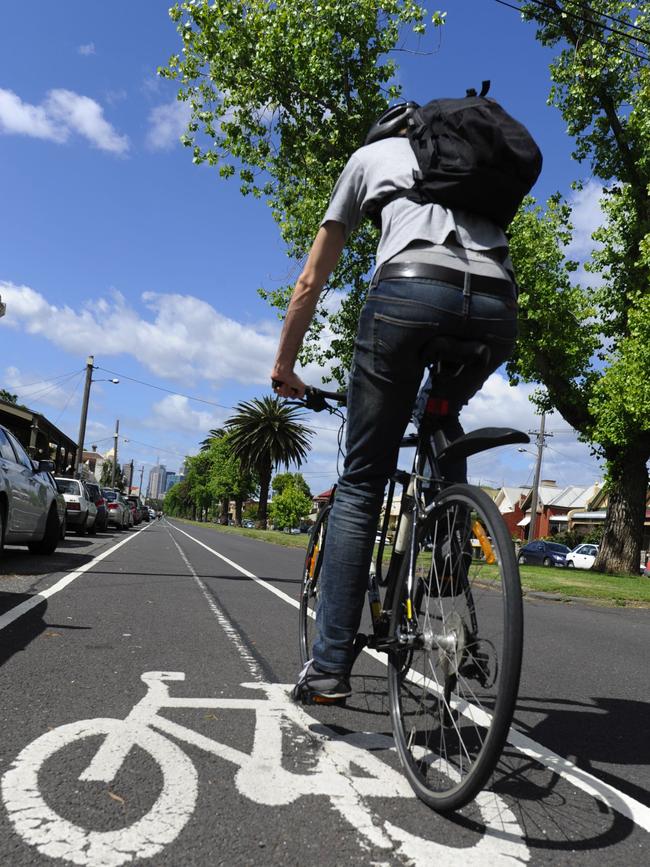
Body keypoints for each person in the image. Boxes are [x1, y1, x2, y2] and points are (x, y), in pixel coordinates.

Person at [271, 101, 521, 703]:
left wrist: (284, 366)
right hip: (495, 306)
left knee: (362, 480)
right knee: (440, 416)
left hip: (408, 296)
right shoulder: (475, 170)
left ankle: (329, 667)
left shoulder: (368, 159)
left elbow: (311, 280)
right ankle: (450, 552)